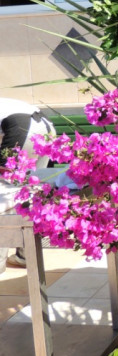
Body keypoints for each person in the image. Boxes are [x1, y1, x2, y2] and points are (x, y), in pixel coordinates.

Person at [1, 97, 56, 268]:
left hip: (19, 126)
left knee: (4, 195)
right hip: (46, 128)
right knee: (30, 192)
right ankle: (26, 256)